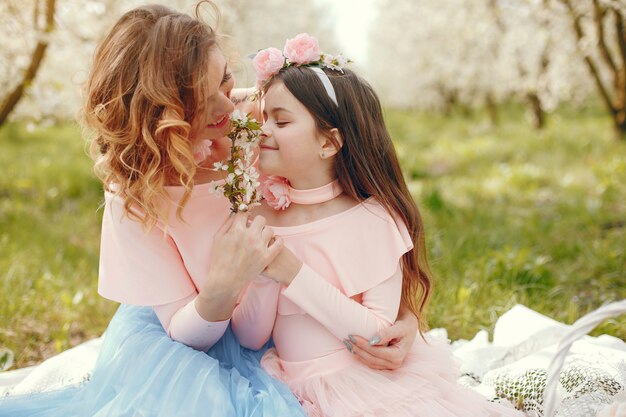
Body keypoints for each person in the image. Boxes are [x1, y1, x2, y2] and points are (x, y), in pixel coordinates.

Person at [0, 5, 418, 417]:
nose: (229, 104)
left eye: (226, 79)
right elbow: (187, 336)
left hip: (302, 331)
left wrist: (402, 317)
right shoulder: (135, 198)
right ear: (164, 116)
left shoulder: (260, 122)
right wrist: (224, 284)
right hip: (199, 342)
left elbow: (357, 201)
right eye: (205, 100)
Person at [230, 34, 526, 417]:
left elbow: (376, 334)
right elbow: (249, 336)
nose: (264, 130)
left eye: (281, 121)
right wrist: (263, 276)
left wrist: (290, 272)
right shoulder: (259, 215)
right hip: (286, 388)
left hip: (362, 389)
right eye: (264, 116)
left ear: (328, 143)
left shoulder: (371, 218)